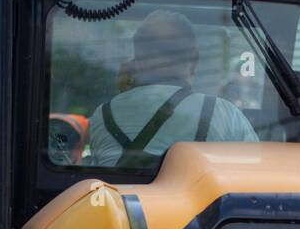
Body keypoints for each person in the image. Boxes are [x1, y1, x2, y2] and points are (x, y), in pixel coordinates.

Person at [87, 11, 257, 168]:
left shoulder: (102, 116)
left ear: (136, 60)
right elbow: (255, 177)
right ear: (195, 59)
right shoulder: (225, 115)